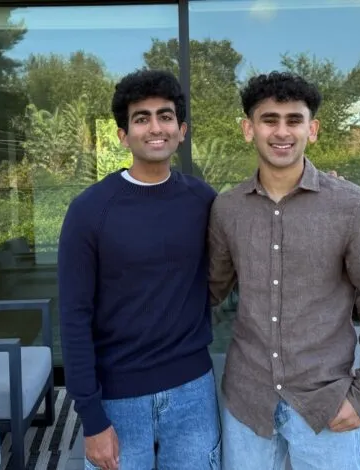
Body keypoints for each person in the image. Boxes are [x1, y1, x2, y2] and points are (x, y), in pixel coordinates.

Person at [207, 71, 360, 470]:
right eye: (269, 120)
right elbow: (209, 291)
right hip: (248, 400)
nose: (282, 132)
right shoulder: (227, 209)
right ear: (249, 129)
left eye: (294, 120)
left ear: (312, 129)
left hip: (326, 403)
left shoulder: (352, 207)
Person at [58, 69, 221, 470]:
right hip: (118, 398)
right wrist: (91, 418)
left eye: (165, 116)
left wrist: (315, 194)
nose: (155, 127)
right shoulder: (89, 210)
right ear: (123, 135)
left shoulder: (204, 200)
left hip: (194, 394)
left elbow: (259, 224)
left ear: (181, 130)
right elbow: (74, 317)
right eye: (141, 117)